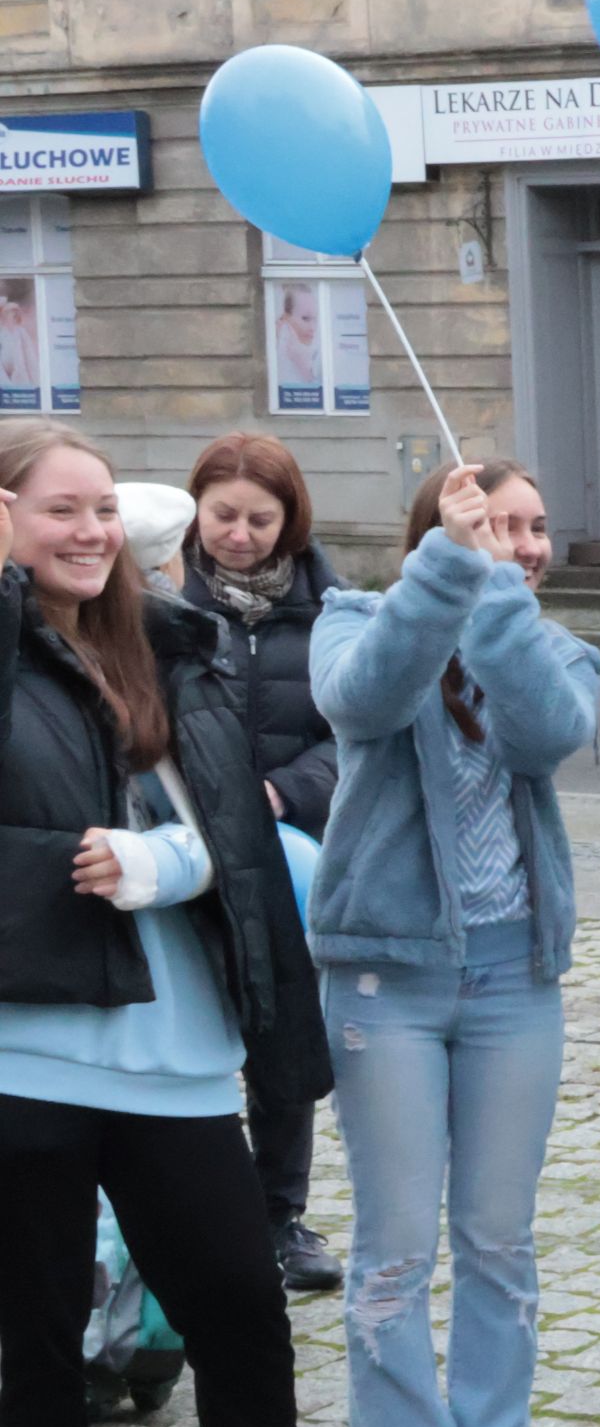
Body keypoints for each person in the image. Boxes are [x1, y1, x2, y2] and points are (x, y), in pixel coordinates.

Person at [0, 427, 425, 1427]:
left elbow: (218, 828)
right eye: (54, 511)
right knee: (36, 1321)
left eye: (99, 513)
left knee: (240, 1297)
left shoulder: (174, 647)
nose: (85, 532)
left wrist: (158, 863)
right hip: (28, 1042)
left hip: (176, 1042)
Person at [309, 459, 600, 1427]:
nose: (519, 541)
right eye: (497, 522)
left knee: (496, 1236)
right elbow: (365, 698)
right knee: (392, 1242)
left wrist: (497, 599)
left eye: (534, 527)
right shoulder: (355, 618)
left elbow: (550, 731)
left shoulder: (548, 642)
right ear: (432, 526)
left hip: (511, 977)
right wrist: (448, 567)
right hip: (387, 973)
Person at [181, 433, 348, 1293]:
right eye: (223, 516)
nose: (238, 535)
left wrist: (285, 792)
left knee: (282, 1034)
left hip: (286, 848)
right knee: (194, 1030)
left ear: (290, 522)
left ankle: (281, 1214)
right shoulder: (158, 598)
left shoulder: (334, 610)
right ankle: (196, 1215)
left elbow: (351, 736)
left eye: (259, 519)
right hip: (185, 849)